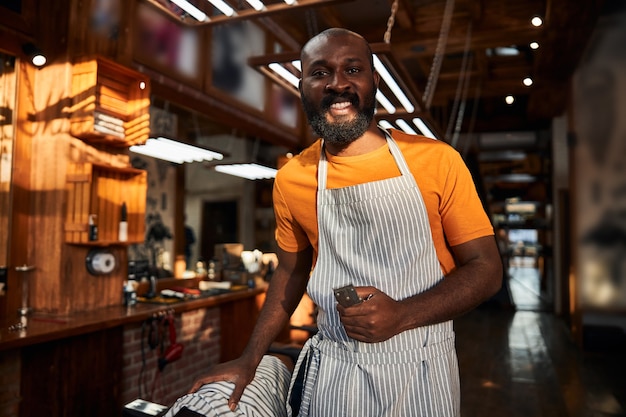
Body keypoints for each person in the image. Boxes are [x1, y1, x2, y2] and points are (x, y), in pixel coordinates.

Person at [189, 28, 502, 416]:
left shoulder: (436, 161)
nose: (337, 84)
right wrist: (249, 359)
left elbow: (486, 270)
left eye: (352, 69)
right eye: (319, 73)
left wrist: (402, 315)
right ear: (302, 86)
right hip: (335, 369)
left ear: (374, 81)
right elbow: (290, 272)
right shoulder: (292, 177)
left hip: (422, 366)